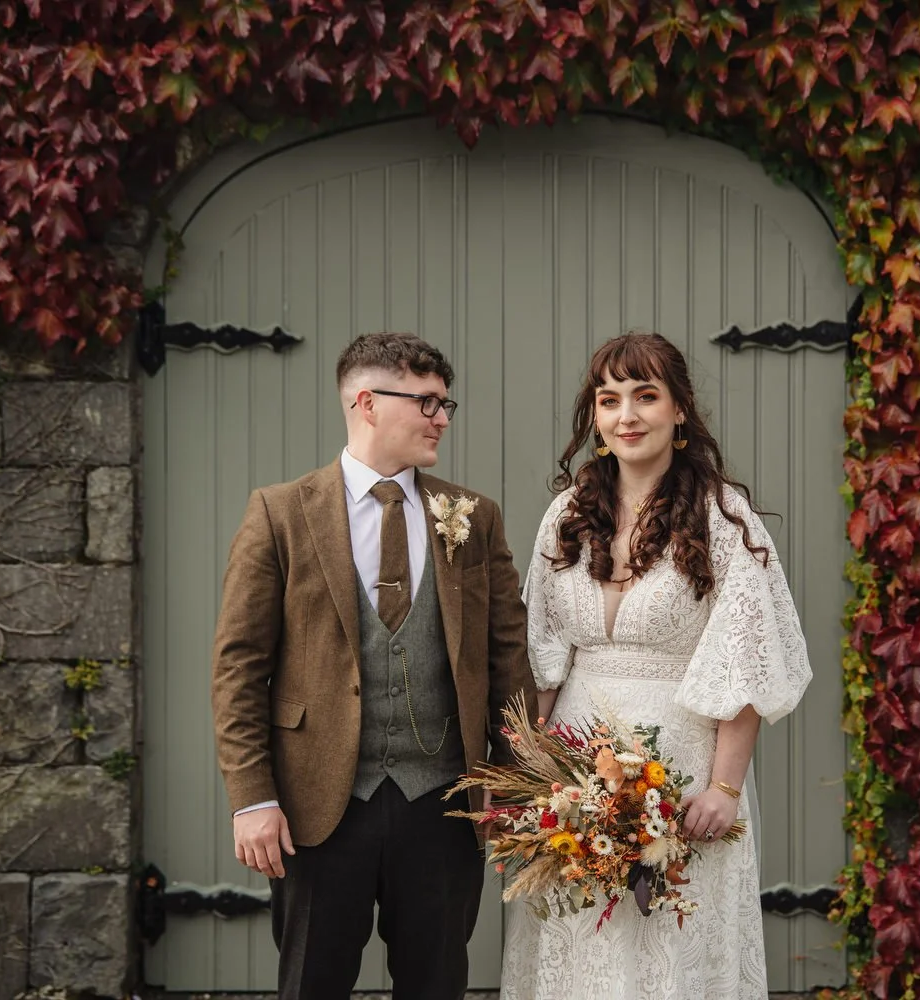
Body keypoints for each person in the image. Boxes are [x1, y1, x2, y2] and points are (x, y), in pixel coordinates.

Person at [211, 332, 536, 1000]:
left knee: (438, 983)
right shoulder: (279, 514)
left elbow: (508, 657)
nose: (442, 417)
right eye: (426, 402)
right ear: (366, 401)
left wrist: (520, 786)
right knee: (312, 984)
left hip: (444, 803)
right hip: (319, 807)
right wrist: (253, 798)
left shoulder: (472, 518)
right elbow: (239, 668)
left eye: (446, 404)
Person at [501, 332, 813, 999]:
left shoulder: (724, 518)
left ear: (679, 411)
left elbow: (748, 662)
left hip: (684, 764)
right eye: (609, 400)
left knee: (670, 947)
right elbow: (542, 653)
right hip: (574, 771)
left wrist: (724, 791)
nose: (627, 415)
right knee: (579, 941)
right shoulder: (566, 515)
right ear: (596, 418)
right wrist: (533, 778)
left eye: (646, 396)